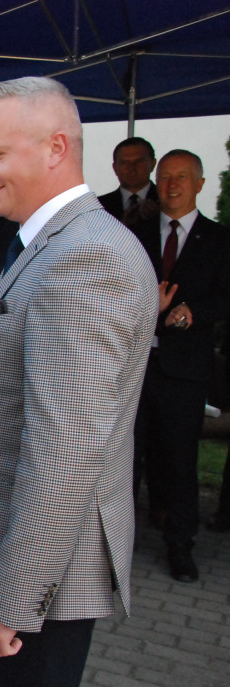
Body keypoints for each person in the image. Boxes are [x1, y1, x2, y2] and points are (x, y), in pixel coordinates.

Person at [0, 77, 158, 687]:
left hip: (46, 579)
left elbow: (66, 452)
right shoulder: (50, 243)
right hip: (32, 564)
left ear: (56, 147)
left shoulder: (87, 256)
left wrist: (13, 596)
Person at [129, 149, 230, 582]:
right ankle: (114, 544)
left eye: (182, 177)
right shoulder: (133, 233)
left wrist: (192, 311)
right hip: (131, 366)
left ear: (200, 184)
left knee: (179, 460)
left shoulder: (220, 239)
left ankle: (179, 545)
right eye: (166, 176)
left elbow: (227, 297)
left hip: (183, 370)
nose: (172, 184)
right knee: (124, 458)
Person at [97, 137, 160, 225]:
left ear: (152, 164)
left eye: (139, 161)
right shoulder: (98, 207)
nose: (131, 168)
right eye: (125, 163)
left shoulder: (168, 201)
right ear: (115, 168)